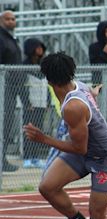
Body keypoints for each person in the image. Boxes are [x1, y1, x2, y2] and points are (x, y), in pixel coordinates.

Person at [24, 52, 107, 219]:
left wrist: (43, 138)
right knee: (47, 187)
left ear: (48, 80)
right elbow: (88, 95)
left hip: (104, 157)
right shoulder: (78, 85)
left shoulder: (73, 107)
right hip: (84, 149)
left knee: (98, 218)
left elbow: (79, 149)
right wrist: (94, 93)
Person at [0, 10, 23, 172]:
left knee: (7, 123)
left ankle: (2, 159)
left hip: (12, 87)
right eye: (8, 19)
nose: (11, 21)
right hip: (3, 87)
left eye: (13, 19)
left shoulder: (10, 38)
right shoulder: (1, 39)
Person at [22, 38, 47, 168]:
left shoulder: (43, 64)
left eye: (41, 47)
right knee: (28, 130)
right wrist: (26, 103)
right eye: (37, 47)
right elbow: (22, 87)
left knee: (38, 130)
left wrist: (47, 101)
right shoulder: (24, 65)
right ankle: (27, 157)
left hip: (41, 103)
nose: (40, 49)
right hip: (30, 104)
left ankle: (35, 157)